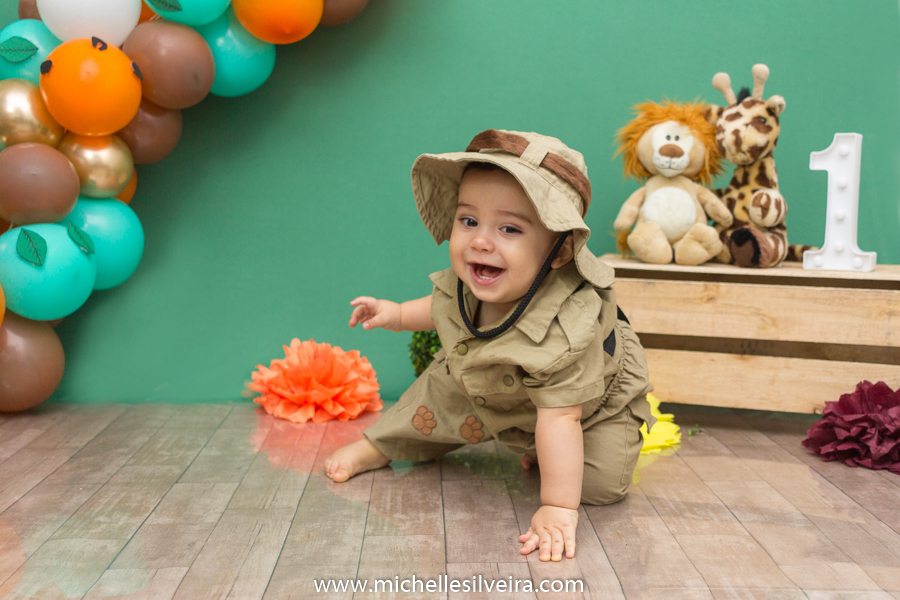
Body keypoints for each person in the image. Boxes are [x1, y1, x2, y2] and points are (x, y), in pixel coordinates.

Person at [324, 129, 654, 562]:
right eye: (468, 221)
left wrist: (557, 507)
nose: (480, 241)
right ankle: (380, 446)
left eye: (510, 228)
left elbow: (562, 417)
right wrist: (397, 314)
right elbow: (443, 305)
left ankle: (549, 456)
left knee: (598, 486)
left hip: (589, 404)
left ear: (559, 252)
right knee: (437, 394)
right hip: (492, 381)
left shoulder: (566, 329)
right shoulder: (473, 282)